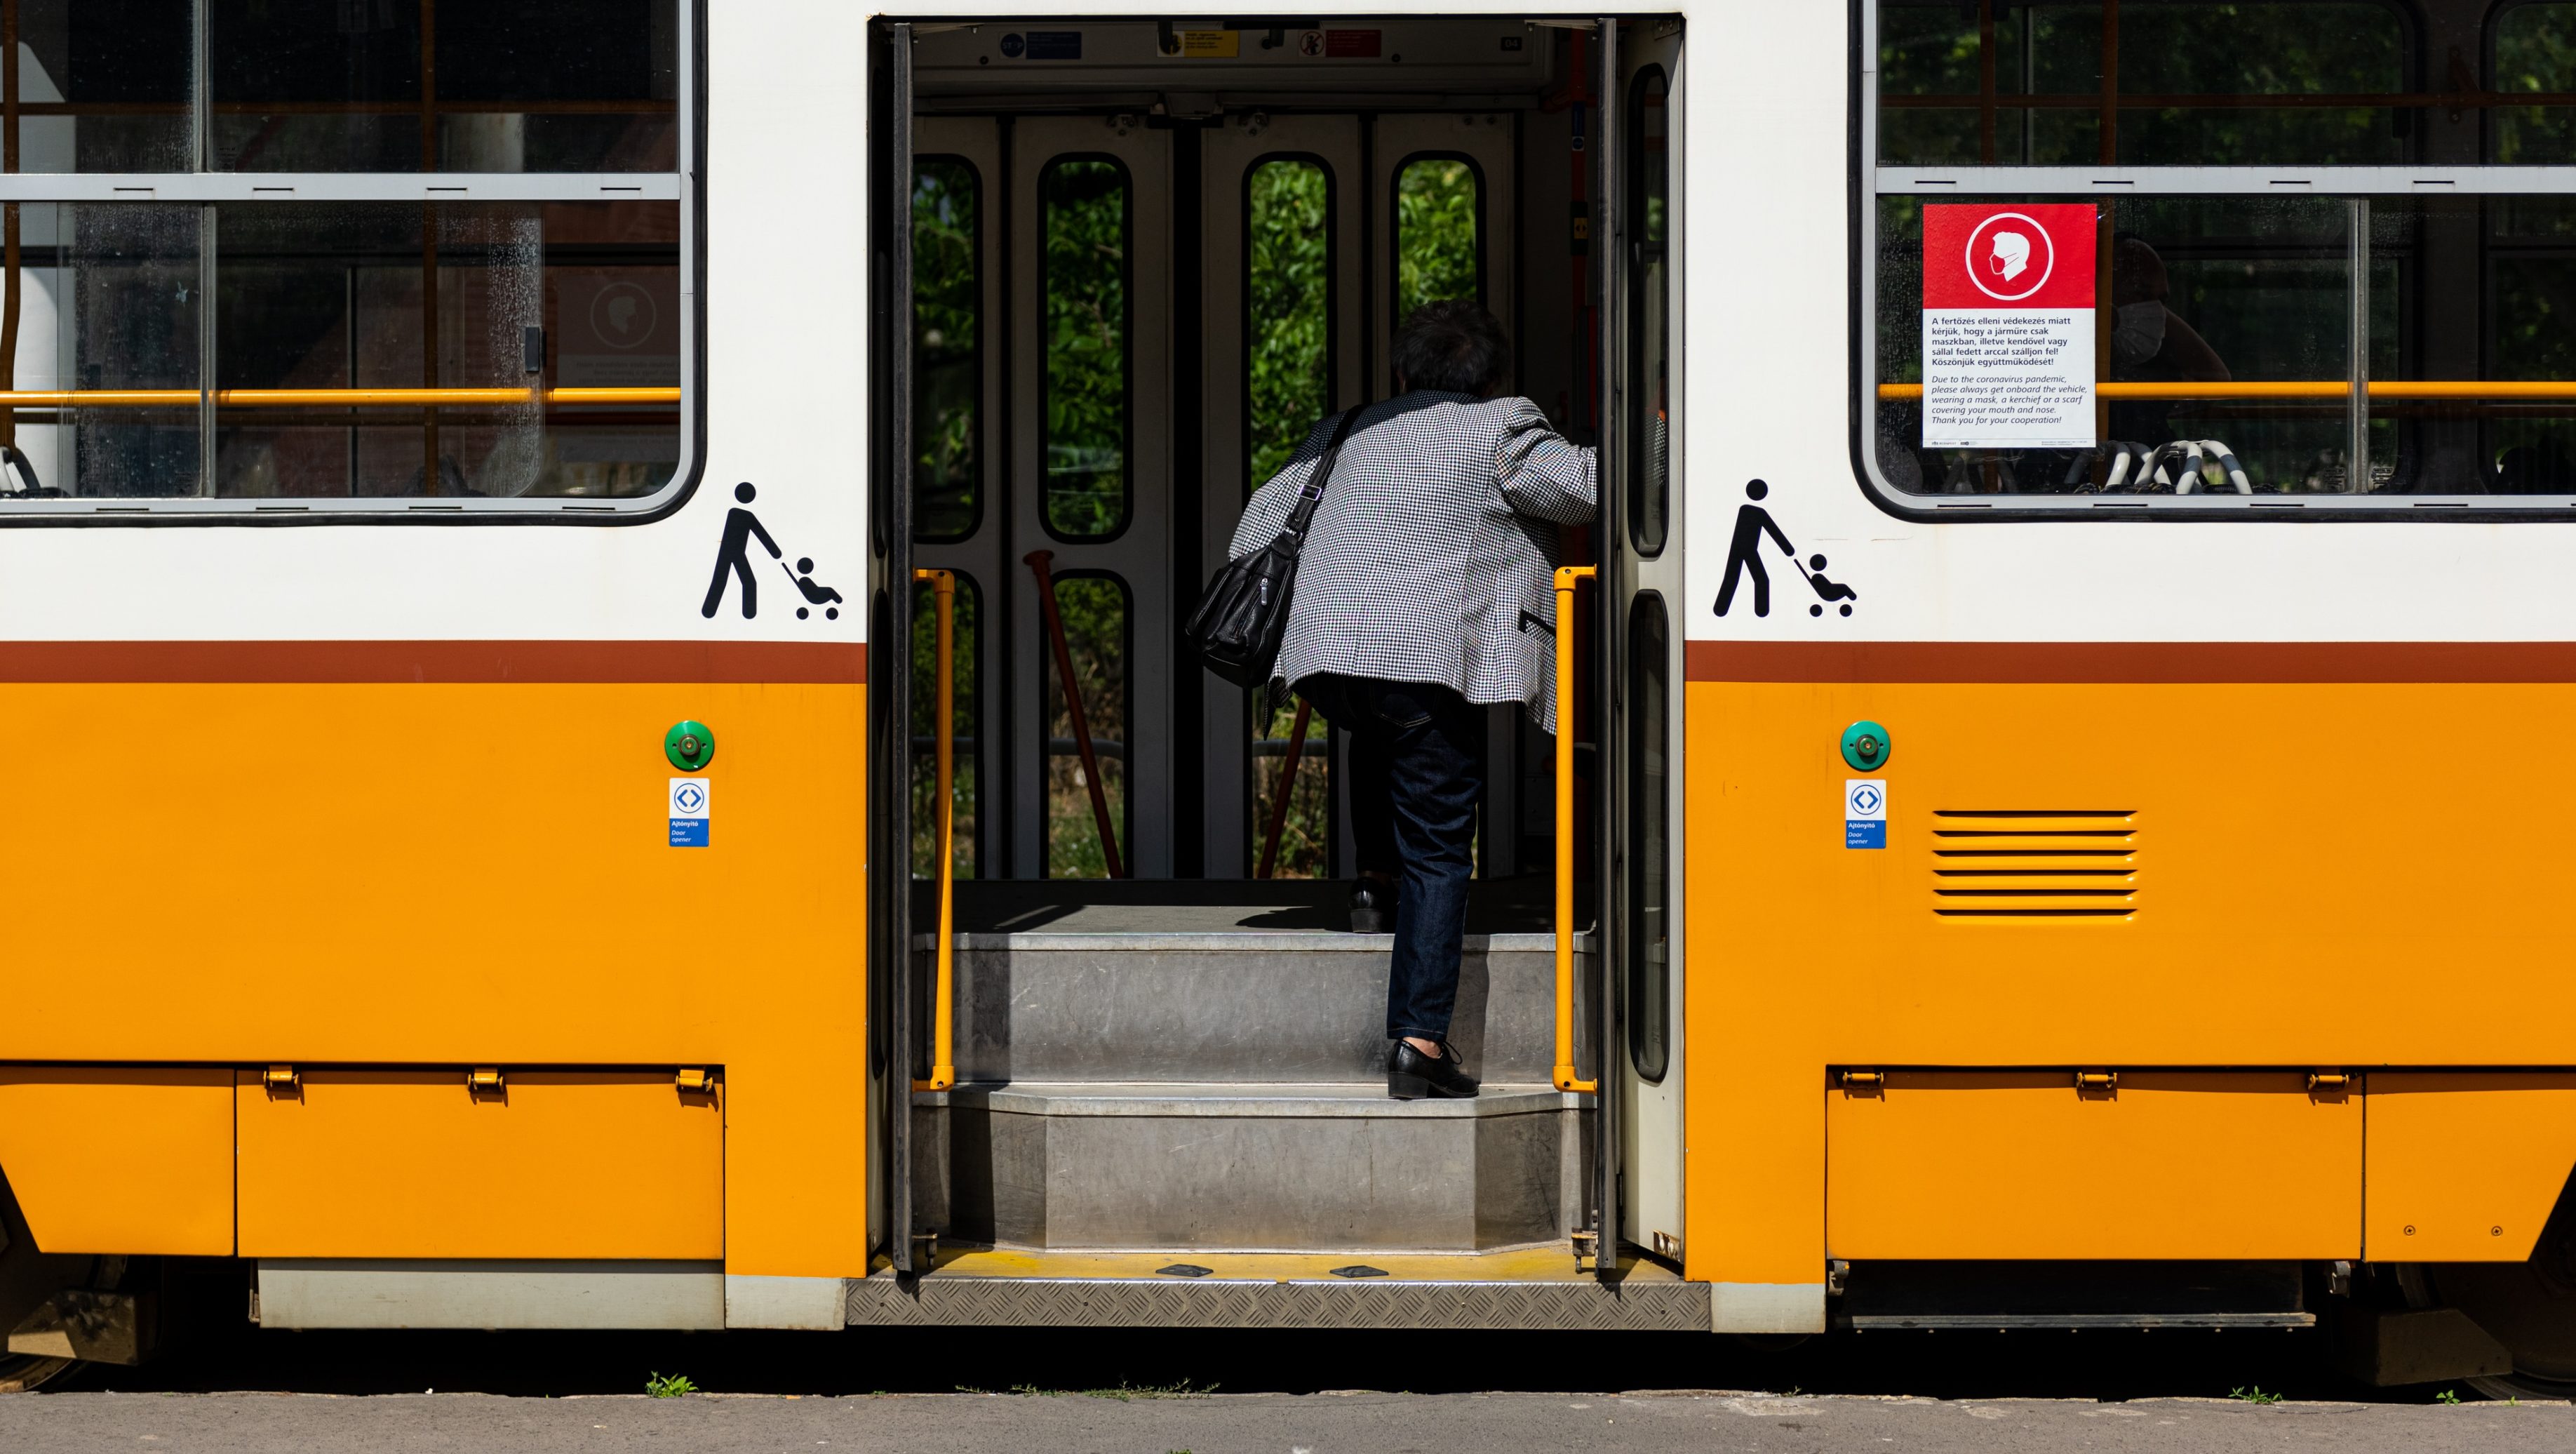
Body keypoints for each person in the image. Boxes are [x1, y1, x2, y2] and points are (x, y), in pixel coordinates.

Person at [1229, 300, 1596, 1101]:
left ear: (1402, 375)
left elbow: (1250, 531)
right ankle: (1420, 1041)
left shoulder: (1345, 428)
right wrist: (1665, 430)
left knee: (1381, 722)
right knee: (1440, 849)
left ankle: (1371, 880)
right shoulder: (1503, 426)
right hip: (1425, 659)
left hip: (1326, 659)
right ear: (1492, 378)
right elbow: (1583, 492)